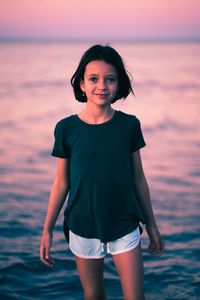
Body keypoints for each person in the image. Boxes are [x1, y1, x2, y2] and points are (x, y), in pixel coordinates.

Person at [40, 44, 164, 300]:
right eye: (93, 79)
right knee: (94, 296)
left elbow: (139, 178)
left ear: (119, 84)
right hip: (82, 223)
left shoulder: (129, 125)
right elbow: (61, 182)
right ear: (82, 84)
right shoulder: (66, 128)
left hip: (124, 222)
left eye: (110, 79)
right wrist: (47, 229)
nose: (102, 86)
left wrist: (151, 225)